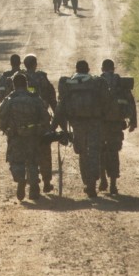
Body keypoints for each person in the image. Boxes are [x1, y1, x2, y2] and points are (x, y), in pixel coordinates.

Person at [51, 59, 113, 199]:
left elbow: (61, 106)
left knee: (83, 152)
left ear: (76, 69)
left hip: (77, 123)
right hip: (95, 122)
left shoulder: (68, 84)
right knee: (95, 151)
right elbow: (107, 101)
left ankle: (87, 182)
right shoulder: (97, 83)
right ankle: (92, 182)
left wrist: (53, 126)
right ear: (88, 69)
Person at [0, 72, 50, 201]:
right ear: (26, 84)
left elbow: (2, 118)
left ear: (14, 85)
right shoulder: (35, 98)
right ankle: (34, 186)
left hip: (16, 137)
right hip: (32, 136)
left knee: (16, 161)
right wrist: (40, 130)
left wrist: (7, 130)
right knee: (32, 161)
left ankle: (21, 180)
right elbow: (45, 117)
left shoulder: (9, 100)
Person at [99, 59, 137, 195]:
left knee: (101, 151)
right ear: (113, 69)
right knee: (113, 152)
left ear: (102, 68)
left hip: (101, 124)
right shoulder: (121, 82)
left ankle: (103, 178)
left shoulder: (98, 82)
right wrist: (133, 122)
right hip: (116, 124)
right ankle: (113, 184)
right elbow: (131, 102)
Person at [22, 54, 57, 193]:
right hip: (42, 121)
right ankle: (47, 182)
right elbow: (52, 98)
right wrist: (57, 119)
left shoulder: (20, 79)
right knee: (45, 152)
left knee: (29, 153)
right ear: (35, 64)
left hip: (25, 122)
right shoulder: (42, 78)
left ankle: (32, 182)